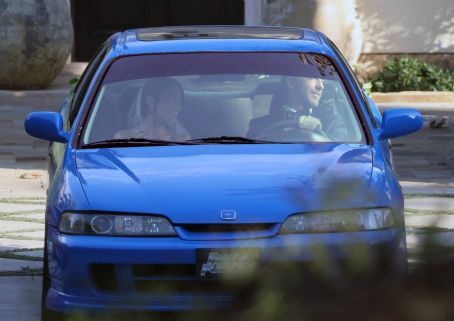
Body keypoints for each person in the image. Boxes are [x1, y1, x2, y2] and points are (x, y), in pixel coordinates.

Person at [247, 76, 347, 141]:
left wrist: (320, 134)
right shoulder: (258, 127)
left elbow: (340, 159)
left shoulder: (333, 123)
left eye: (321, 80)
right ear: (290, 82)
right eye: (312, 77)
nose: (320, 86)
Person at [115, 77, 190, 141]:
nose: (179, 107)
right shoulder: (124, 138)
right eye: (172, 99)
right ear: (151, 102)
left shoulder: (181, 140)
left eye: (180, 101)